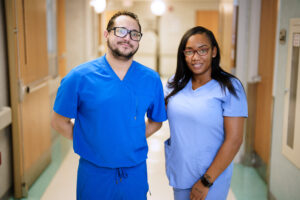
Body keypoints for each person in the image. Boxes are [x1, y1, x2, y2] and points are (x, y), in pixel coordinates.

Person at [51, 11, 167, 200]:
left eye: (134, 34)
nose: (127, 38)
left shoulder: (151, 79)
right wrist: (92, 140)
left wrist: (128, 137)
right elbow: (59, 122)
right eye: (120, 31)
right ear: (106, 34)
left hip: (134, 172)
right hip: (94, 173)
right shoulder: (79, 77)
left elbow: (156, 121)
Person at [164, 26, 248, 200]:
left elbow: (235, 140)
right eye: (189, 52)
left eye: (202, 50)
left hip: (212, 178)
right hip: (181, 172)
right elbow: (154, 113)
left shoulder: (230, 87)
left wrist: (206, 182)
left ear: (214, 52)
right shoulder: (175, 83)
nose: (195, 57)